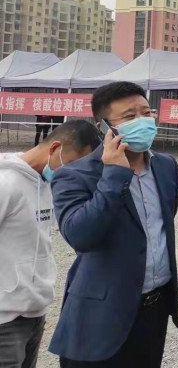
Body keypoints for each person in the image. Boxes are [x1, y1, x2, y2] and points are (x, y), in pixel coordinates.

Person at [49, 81, 178, 368]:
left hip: (153, 311)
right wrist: (113, 175)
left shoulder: (166, 166)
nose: (143, 121)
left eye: (146, 112)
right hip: (99, 317)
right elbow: (81, 236)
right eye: (130, 116)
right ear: (104, 127)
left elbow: (160, 225)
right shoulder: (74, 175)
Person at [0, 121, 99, 368]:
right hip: (4, 320)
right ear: (55, 148)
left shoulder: (46, 184)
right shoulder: (5, 183)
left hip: (34, 311)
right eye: (75, 165)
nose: (76, 174)